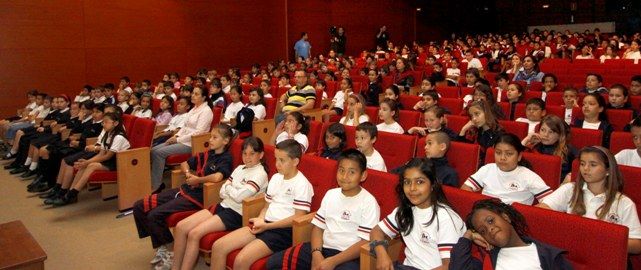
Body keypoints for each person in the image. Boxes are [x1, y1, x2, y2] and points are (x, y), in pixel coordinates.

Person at [134, 124, 234, 269]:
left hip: (198, 197)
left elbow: (218, 177)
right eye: (210, 136)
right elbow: (184, 163)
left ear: (225, 141)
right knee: (139, 206)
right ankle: (162, 246)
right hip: (185, 189)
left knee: (154, 215)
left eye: (214, 137)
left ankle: (170, 251)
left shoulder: (225, 158)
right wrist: (187, 174)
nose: (210, 140)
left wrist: (198, 180)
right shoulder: (207, 154)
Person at [210, 139, 314, 270]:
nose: (277, 164)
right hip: (265, 223)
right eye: (276, 159)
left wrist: (267, 226)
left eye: (282, 160)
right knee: (219, 246)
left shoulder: (302, 184)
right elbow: (266, 206)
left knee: (241, 259)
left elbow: (298, 217)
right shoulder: (276, 178)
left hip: (282, 231)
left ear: (295, 161)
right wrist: (260, 218)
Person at [267, 149, 379, 269]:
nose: (345, 176)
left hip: (349, 256)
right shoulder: (331, 194)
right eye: (341, 170)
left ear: (363, 175)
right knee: (274, 263)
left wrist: (333, 261)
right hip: (322, 248)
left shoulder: (369, 202)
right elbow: (318, 227)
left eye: (351, 172)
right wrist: (316, 254)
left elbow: (365, 242)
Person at [171, 137, 268, 270]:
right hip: (224, 205)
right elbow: (222, 191)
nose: (247, 157)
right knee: (181, 226)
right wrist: (230, 189)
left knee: (194, 234)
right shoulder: (240, 168)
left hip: (236, 213)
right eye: (244, 153)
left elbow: (240, 197)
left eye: (252, 154)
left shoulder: (260, 173)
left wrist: (229, 189)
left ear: (261, 155)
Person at [538, 146, 641, 254]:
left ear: (608, 171)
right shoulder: (570, 189)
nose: (585, 168)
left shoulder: (624, 203)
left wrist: (603, 240)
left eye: (593, 165)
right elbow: (540, 211)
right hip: (571, 252)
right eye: (582, 164)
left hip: (603, 255)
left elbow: (637, 244)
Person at [369, 158, 465, 270]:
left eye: (419, 182)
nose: (412, 188)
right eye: (407, 182)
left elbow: (449, 266)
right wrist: (382, 254)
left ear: (433, 184)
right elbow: (376, 231)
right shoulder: (405, 211)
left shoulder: (445, 218)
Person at [450, 199, 572, 269]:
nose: (490, 229)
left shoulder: (548, 255)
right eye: (483, 231)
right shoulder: (487, 259)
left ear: (506, 217)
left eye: (490, 221)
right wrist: (468, 235)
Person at [51, 112, 130, 206]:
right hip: (110, 160)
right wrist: (86, 162)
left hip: (120, 162)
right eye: (103, 122)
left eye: (106, 122)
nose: (103, 124)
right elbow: (101, 154)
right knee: (84, 165)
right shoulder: (107, 135)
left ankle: (71, 194)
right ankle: (70, 194)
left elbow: (108, 156)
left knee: (92, 165)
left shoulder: (119, 137)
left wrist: (88, 162)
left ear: (115, 123)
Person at [150, 86, 213, 193]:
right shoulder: (194, 109)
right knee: (153, 150)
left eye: (196, 94)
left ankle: (156, 186)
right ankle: (155, 181)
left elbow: (199, 132)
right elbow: (184, 127)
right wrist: (175, 136)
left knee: (158, 153)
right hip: (183, 139)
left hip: (192, 144)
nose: (193, 95)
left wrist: (178, 140)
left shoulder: (206, 111)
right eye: (193, 93)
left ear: (203, 97)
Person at [461, 133, 552, 205]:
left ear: (519, 156)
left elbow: (550, 202)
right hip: (486, 213)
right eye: (498, 153)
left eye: (509, 154)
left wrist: (527, 214)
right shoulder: (487, 169)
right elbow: (465, 188)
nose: (502, 158)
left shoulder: (529, 176)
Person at [522, 115, 578, 181]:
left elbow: (579, 165)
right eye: (543, 130)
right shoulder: (534, 146)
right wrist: (526, 140)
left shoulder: (568, 150)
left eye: (551, 132)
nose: (545, 135)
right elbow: (515, 159)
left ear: (560, 135)